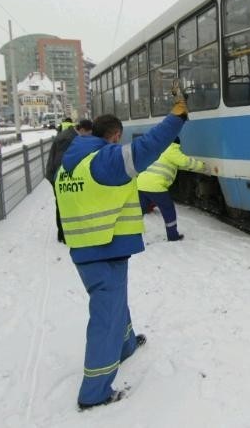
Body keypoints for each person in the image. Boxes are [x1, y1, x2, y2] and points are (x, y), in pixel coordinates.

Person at [55, 95, 188, 410]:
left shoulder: (72, 163)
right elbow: (146, 149)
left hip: (98, 247)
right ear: (113, 136)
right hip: (99, 250)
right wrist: (176, 117)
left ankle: (126, 346)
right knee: (106, 318)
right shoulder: (103, 161)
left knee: (116, 304)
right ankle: (94, 392)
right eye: (120, 139)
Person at [137, 137, 207, 241]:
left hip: (141, 183)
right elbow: (185, 162)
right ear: (176, 144)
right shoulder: (171, 149)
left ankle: (133, 235)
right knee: (168, 210)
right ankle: (173, 235)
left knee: (139, 211)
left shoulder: (157, 149)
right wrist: (202, 166)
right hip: (155, 186)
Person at [46, 119, 93, 242]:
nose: (89, 137)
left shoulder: (71, 135)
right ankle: (63, 235)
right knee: (63, 203)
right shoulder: (67, 139)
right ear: (82, 129)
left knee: (65, 203)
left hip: (58, 174)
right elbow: (60, 162)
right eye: (89, 133)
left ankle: (66, 233)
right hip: (56, 175)